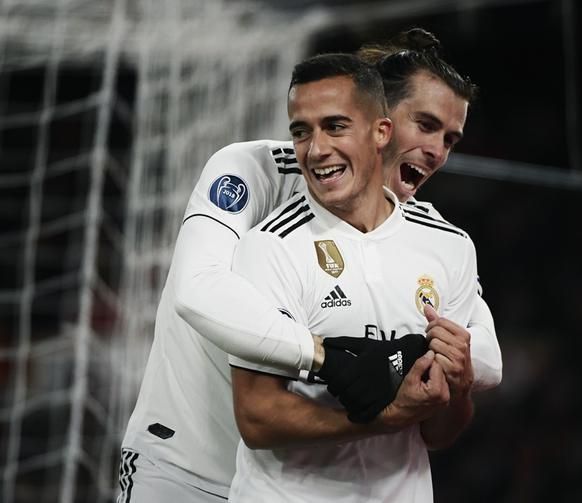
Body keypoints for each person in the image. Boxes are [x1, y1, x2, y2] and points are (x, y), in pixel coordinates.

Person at [118, 28, 501, 502]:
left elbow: (485, 354)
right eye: (424, 125)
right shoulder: (253, 173)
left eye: (450, 138)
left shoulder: (432, 234)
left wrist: (424, 365)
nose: (438, 151)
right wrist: (330, 359)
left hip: (280, 473)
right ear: (376, 115)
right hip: (184, 464)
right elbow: (197, 288)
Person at [228, 52, 478, 502]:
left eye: (335, 126)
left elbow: (439, 434)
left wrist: (458, 388)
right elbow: (256, 417)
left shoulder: (450, 247)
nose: (316, 149)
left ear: (380, 132)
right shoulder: (270, 246)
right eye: (301, 131)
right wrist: (382, 417)